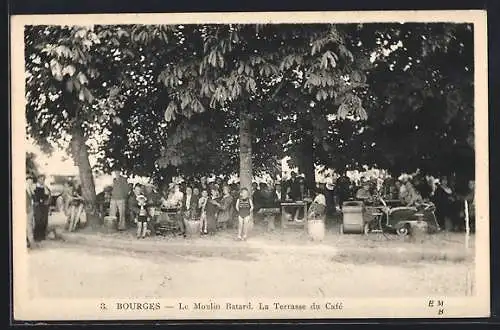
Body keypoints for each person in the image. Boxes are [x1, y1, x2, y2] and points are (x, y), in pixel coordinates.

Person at [33, 174, 51, 241]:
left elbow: (48, 196)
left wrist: (47, 202)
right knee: (38, 221)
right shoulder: (34, 186)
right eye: (40, 179)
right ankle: (37, 237)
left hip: (44, 206)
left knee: (44, 221)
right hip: (37, 206)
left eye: (43, 179)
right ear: (38, 179)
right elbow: (32, 196)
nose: (42, 180)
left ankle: (42, 236)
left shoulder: (45, 187)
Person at [26, 175, 36, 248]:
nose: (31, 182)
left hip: (31, 208)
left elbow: (33, 198)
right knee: (28, 226)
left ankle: (29, 242)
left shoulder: (30, 188)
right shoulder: (25, 189)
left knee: (30, 225)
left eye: (31, 181)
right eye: (29, 180)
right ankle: (31, 243)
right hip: (27, 209)